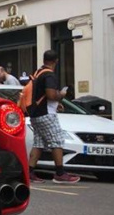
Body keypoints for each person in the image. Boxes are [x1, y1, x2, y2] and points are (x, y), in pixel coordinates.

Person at [27, 50, 80, 184]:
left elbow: (43, 95)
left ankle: (29, 172)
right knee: (57, 141)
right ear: (56, 61)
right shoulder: (49, 75)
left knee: (39, 143)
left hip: (36, 114)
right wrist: (61, 95)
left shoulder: (38, 73)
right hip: (46, 115)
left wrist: (56, 103)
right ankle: (60, 173)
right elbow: (51, 95)